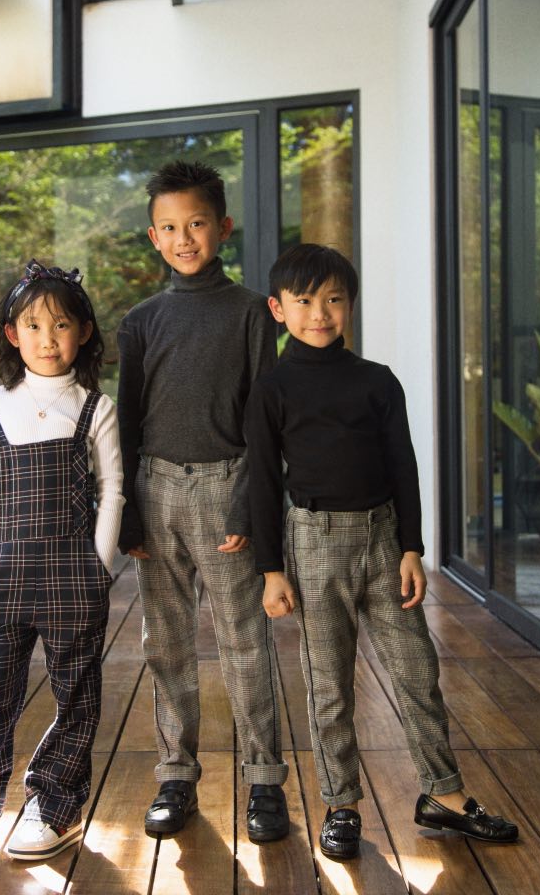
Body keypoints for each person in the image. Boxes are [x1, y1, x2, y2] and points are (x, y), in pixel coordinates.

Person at [245, 243, 518, 860]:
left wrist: (412, 547)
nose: (321, 312)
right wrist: (270, 570)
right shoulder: (272, 390)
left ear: (350, 306)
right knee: (329, 685)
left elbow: (405, 468)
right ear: (279, 309)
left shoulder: (376, 381)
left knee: (417, 669)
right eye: (306, 301)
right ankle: (341, 805)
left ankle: (442, 796)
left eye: (335, 299)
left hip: (382, 539)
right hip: (312, 546)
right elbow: (262, 480)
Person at [117, 160, 289, 843]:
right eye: (169, 227)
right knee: (167, 643)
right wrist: (129, 505)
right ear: (153, 237)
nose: (183, 237)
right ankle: (175, 774)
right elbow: (126, 419)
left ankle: (265, 781)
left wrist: (248, 503)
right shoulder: (141, 320)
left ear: (222, 226)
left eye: (195, 224)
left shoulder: (251, 312)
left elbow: (264, 418)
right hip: (155, 490)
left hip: (226, 489)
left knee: (245, 641)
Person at [0, 259, 124, 867]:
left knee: (76, 692)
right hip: (5, 577)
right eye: (33, 326)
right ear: (13, 335)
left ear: (83, 333)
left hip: (75, 576)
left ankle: (54, 804)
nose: (48, 338)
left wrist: (100, 565)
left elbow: (112, 489)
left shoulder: (95, 408)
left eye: (61, 325)